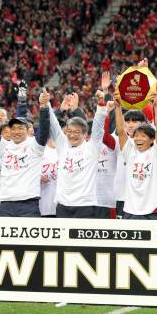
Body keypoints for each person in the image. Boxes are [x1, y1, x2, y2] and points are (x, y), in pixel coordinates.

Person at [0, 88, 50, 217]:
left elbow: (45, 127)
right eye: (13, 128)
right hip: (6, 203)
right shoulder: (4, 146)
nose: (16, 131)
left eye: (20, 128)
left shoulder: (35, 145)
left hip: (29, 203)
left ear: (28, 129)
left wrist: (44, 107)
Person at [48, 90, 106, 218]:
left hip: (85, 206)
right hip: (62, 205)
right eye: (69, 131)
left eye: (76, 132)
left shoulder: (92, 148)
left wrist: (101, 104)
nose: (72, 135)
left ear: (85, 135)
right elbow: (53, 124)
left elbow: (98, 127)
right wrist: (48, 105)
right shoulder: (63, 145)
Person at [114, 85, 157, 219]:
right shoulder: (129, 151)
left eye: (143, 136)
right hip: (130, 210)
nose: (138, 138)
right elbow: (120, 131)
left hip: (153, 210)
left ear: (151, 139)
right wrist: (118, 106)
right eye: (136, 135)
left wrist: (155, 107)